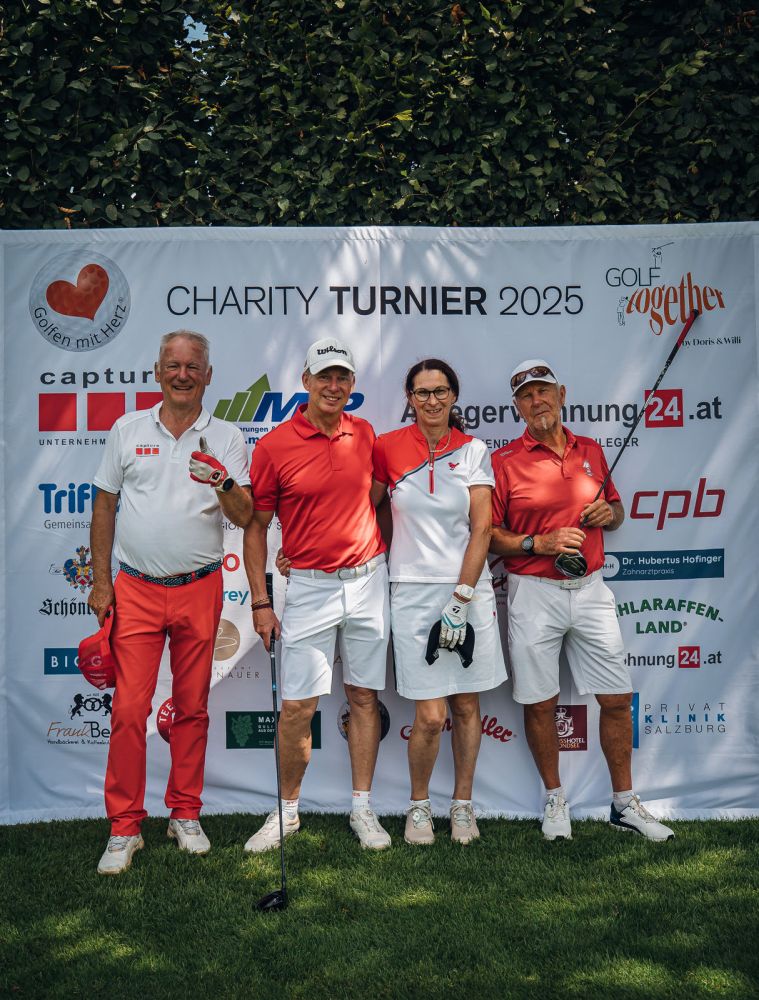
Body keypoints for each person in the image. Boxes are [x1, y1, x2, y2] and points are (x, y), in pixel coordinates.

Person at [88, 330, 252, 875]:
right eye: (173, 365)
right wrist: (102, 583)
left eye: (193, 366)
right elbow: (104, 505)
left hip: (200, 587)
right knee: (128, 710)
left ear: (209, 375)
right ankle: (124, 827)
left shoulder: (226, 436)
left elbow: (245, 515)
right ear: (157, 372)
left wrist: (222, 479)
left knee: (192, 707)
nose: (183, 375)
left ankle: (185, 813)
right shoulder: (127, 429)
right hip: (135, 589)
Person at [490, 358, 674, 842]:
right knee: (540, 703)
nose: (537, 401)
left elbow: (617, 510)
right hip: (534, 592)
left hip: (591, 589)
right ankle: (555, 798)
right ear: (517, 407)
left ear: (562, 394)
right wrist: (539, 543)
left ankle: (624, 803)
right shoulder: (504, 461)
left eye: (543, 391)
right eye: (526, 396)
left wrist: (608, 513)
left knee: (616, 698)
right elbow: (489, 535)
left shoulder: (590, 449)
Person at [242, 338, 392, 852]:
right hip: (309, 588)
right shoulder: (273, 446)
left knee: (364, 697)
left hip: (368, 582)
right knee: (297, 707)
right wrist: (261, 601)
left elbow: (374, 500)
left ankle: (362, 808)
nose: (333, 386)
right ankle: (287, 812)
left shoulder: (365, 434)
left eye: (342, 377)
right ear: (305, 380)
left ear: (352, 384)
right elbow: (256, 527)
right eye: (324, 376)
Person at [371, 359, 507, 845]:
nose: (432, 400)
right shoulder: (386, 447)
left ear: (454, 395)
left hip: (467, 590)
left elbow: (482, 529)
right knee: (430, 716)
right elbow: (363, 508)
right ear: (409, 397)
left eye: (441, 391)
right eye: (423, 392)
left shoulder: (474, 450)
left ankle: (462, 806)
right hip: (411, 590)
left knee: (466, 706)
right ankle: (419, 806)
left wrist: (462, 596)